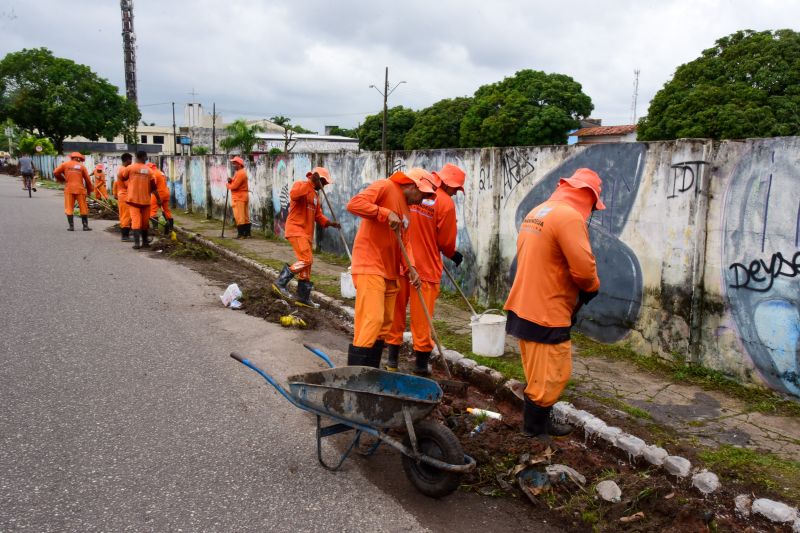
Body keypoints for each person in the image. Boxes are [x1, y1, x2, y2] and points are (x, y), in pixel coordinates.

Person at [504, 168, 604, 439]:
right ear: (588, 198)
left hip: (524, 305)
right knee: (554, 374)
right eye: (594, 206)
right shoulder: (570, 217)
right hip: (547, 310)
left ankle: (540, 424)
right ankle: (533, 432)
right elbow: (584, 270)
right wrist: (591, 289)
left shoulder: (539, 211)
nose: (593, 212)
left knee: (538, 374)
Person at [345, 169, 435, 367]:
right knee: (372, 321)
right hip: (370, 265)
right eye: (423, 195)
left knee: (384, 325)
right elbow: (354, 204)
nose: (422, 201)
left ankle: (371, 373)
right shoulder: (385, 186)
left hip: (390, 270)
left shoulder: (408, 212)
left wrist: (411, 267)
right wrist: (384, 213)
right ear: (412, 186)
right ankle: (356, 376)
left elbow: (406, 243)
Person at [385, 164, 466, 375]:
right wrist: (454, 254)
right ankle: (420, 367)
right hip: (426, 269)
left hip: (400, 262)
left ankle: (391, 362)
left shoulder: (410, 192)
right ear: (448, 184)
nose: (456, 193)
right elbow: (446, 242)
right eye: (456, 188)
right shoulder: (445, 203)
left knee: (396, 313)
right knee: (422, 320)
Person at [272, 167, 341, 308]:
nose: (325, 186)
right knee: (306, 259)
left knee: (307, 265)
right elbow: (294, 195)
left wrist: (330, 223)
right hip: (296, 229)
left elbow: (318, 216)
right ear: (317, 179)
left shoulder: (316, 197)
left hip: (307, 234)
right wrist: (310, 182)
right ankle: (280, 282)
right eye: (324, 182)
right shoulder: (301, 185)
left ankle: (303, 297)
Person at [120, 151, 157, 249]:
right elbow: (154, 187)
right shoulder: (149, 171)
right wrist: (158, 199)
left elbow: (123, 177)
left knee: (136, 221)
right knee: (145, 223)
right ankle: (145, 243)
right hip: (145, 201)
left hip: (133, 200)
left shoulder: (130, 168)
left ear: (136, 157)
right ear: (144, 157)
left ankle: (137, 244)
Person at [53, 152, 94, 231]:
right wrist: (89, 191)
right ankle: (85, 226)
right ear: (79, 159)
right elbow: (88, 180)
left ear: (71, 157)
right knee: (83, 207)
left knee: (69, 207)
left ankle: (71, 226)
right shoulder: (82, 167)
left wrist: (62, 179)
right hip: (80, 190)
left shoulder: (65, 165)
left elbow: (55, 172)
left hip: (69, 189)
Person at [226, 156, 250, 238]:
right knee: (245, 215)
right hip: (242, 196)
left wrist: (228, 184)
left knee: (239, 216)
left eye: (234, 163)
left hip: (239, 197)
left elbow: (234, 186)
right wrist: (231, 181)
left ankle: (241, 234)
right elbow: (236, 183)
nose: (233, 165)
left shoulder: (240, 173)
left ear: (239, 164)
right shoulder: (241, 172)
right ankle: (247, 234)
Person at [147, 162, 174, 235]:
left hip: (158, 193)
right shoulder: (161, 172)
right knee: (166, 210)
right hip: (166, 193)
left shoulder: (153, 173)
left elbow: (153, 186)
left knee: (152, 210)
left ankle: (155, 228)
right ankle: (171, 228)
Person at [113, 153, 133, 242]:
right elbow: (128, 184)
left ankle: (126, 234)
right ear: (127, 160)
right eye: (131, 160)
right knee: (126, 215)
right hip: (125, 195)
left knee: (124, 215)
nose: (132, 162)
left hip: (122, 195)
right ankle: (125, 236)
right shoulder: (124, 170)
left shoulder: (121, 169)